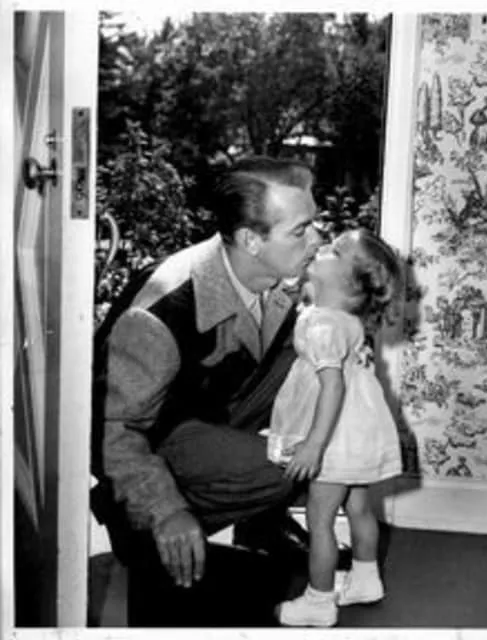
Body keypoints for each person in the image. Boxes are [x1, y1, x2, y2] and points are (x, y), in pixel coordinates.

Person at [91, 156, 322, 625]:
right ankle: (147, 531)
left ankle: (260, 524)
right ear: (251, 240)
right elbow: (113, 432)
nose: (317, 239)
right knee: (286, 465)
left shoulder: (277, 277)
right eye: (301, 231)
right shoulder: (159, 312)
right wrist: (165, 510)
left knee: (320, 365)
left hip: (211, 409)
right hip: (155, 438)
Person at [267, 228, 403, 627]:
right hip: (361, 431)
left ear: (348, 280)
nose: (323, 247)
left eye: (335, 250)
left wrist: (314, 444)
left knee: (320, 517)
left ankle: (319, 601)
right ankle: (366, 579)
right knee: (358, 506)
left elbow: (332, 386)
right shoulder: (347, 320)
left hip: (336, 435)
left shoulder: (323, 324)